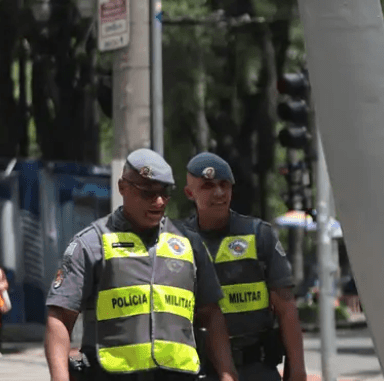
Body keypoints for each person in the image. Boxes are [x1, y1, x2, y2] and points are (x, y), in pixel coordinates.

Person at [44, 149, 240, 381]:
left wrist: (228, 374)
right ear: (122, 187)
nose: (158, 202)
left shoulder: (189, 244)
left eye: (164, 193)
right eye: (148, 193)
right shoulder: (91, 243)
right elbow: (59, 318)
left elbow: (211, 314)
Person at [178, 152, 307, 381]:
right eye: (207, 186)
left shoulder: (258, 234)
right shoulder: (178, 241)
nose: (218, 193)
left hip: (257, 368)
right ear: (190, 193)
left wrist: (297, 371)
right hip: (201, 370)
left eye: (224, 185)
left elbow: (286, 307)